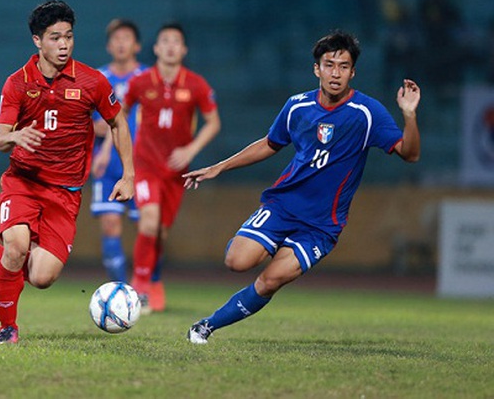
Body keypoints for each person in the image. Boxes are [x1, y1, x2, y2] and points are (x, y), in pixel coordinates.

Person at [183, 30, 420, 344]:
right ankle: (270, 242)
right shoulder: (297, 106)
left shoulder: (367, 113)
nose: (336, 73)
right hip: (282, 206)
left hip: (321, 225)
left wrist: (409, 114)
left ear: (353, 72)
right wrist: (219, 167)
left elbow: (410, 153)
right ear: (317, 69)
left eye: (344, 66)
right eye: (329, 64)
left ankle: (206, 327)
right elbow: (270, 144)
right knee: (236, 261)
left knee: (270, 281)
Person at [0, 0, 134, 344]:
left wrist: (128, 175)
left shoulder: (91, 81)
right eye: (55, 38)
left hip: (65, 193)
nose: (63, 45)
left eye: (68, 37)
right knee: (17, 246)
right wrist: (14, 135)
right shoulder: (17, 83)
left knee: (41, 277)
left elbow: (118, 122)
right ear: (37, 41)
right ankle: (7, 328)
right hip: (23, 183)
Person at [123, 22, 221, 313]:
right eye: (164, 41)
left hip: (177, 172)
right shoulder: (140, 83)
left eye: (175, 42)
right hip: (146, 164)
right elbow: (120, 113)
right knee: (149, 221)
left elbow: (214, 122)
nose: (169, 46)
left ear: (184, 49)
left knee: (161, 233)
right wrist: (110, 145)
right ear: (155, 48)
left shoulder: (196, 84)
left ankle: (153, 278)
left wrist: (190, 149)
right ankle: (139, 288)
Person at [90, 19, 147, 283]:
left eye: (126, 38)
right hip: (107, 164)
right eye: (116, 38)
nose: (121, 43)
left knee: (146, 227)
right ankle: (120, 289)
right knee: (110, 225)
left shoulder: (148, 79)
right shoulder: (97, 78)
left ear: (136, 45)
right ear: (109, 45)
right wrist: (96, 128)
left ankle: (145, 286)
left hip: (143, 164)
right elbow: (84, 121)